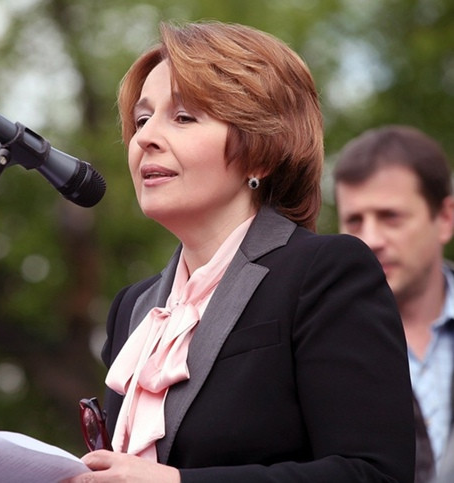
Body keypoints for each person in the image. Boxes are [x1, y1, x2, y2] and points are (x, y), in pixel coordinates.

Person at [69, 21, 415, 482]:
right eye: (142, 120)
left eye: (183, 117)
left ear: (261, 153)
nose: (145, 138)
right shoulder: (132, 308)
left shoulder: (326, 272)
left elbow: (373, 473)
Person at [333, 125, 454, 483]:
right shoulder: (321, 341)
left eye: (391, 217)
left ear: (445, 219)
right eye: (354, 221)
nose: (371, 239)